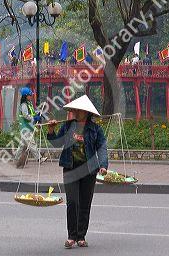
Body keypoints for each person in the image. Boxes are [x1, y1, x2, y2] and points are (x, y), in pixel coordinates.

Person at [47, 95, 108, 249]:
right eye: (75, 109)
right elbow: (57, 143)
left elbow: (102, 148)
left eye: (78, 110)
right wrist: (51, 130)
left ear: (86, 112)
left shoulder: (95, 129)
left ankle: (81, 236)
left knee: (85, 203)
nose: (75, 112)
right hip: (70, 168)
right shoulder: (68, 126)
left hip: (88, 170)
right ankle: (71, 236)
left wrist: (103, 165)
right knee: (73, 202)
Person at [14, 87, 47, 168]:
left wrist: (38, 113)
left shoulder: (29, 104)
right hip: (25, 128)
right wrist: (34, 118)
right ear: (25, 96)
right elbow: (25, 115)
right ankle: (39, 159)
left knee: (21, 146)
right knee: (32, 144)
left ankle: (16, 159)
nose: (31, 96)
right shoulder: (24, 105)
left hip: (28, 127)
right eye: (29, 95)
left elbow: (32, 112)